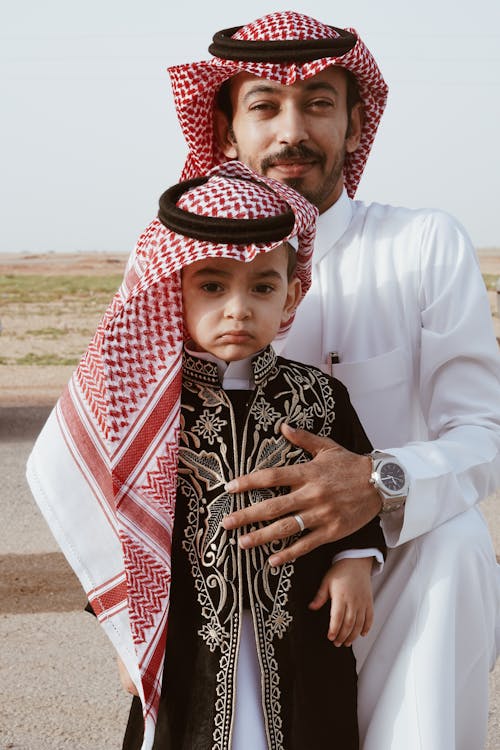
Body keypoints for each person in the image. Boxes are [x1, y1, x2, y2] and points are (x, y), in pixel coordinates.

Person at [163, 10, 500, 749]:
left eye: (319, 103)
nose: (293, 131)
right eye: (265, 106)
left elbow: (482, 435)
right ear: (225, 130)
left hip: (394, 576)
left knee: (457, 543)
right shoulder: (184, 266)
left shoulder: (420, 244)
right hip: (240, 582)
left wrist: (378, 482)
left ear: (354, 125)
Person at [27, 161, 384, 750]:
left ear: (293, 292)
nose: (238, 309)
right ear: (176, 288)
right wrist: (127, 636)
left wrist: (354, 562)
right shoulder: (148, 406)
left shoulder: (319, 395)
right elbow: (104, 521)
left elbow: (355, 492)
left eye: (262, 287)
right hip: (186, 635)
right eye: (213, 286)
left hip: (299, 623)